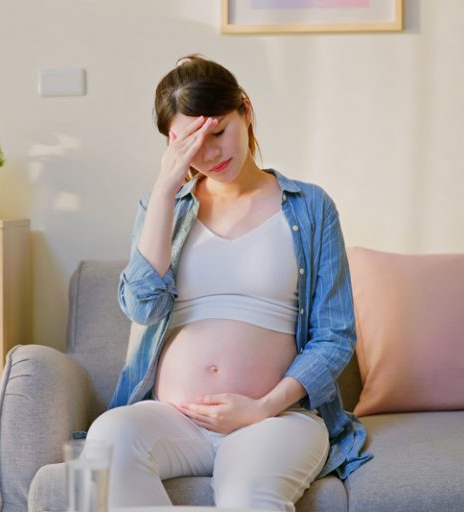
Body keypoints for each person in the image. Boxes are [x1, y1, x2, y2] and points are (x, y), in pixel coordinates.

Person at [85, 54, 371, 511]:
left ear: (246, 110)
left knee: (246, 495)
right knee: (108, 439)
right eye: (191, 145)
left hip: (275, 418)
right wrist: (163, 191)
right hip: (173, 420)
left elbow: (335, 336)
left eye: (218, 133)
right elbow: (142, 308)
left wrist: (263, 407)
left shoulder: (310, 207)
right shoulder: (164, 208)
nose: (210, 155)